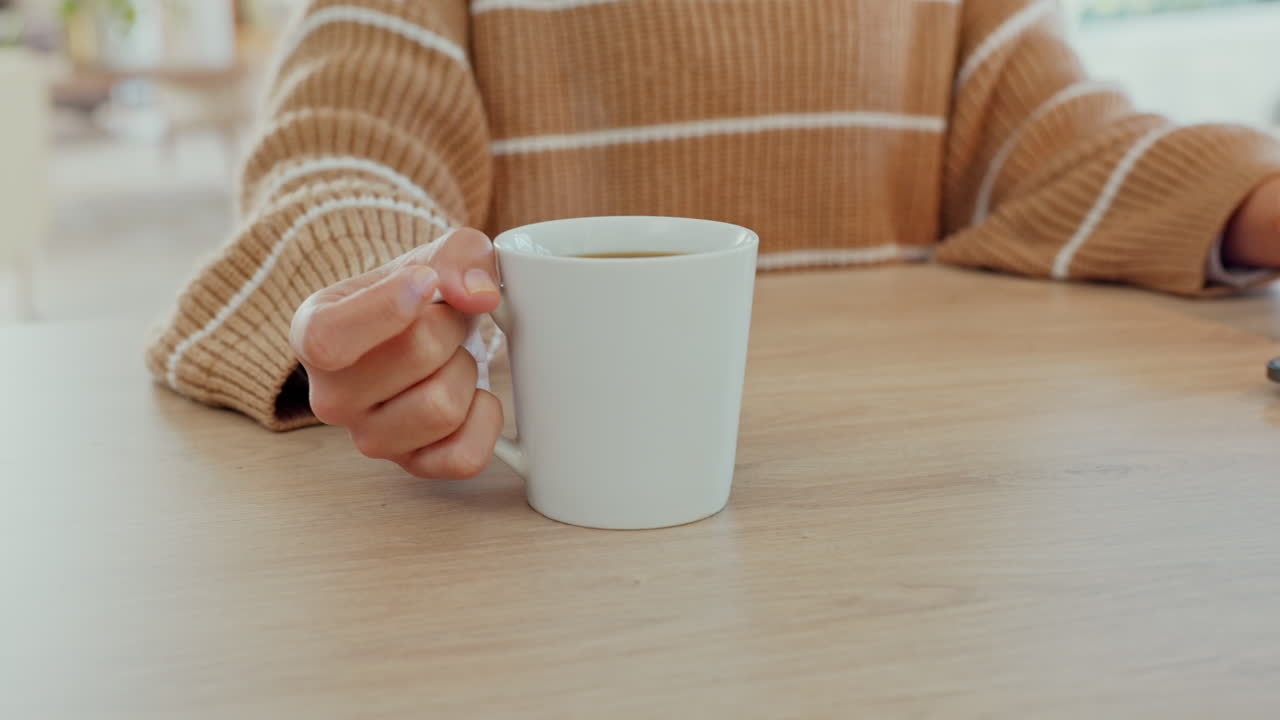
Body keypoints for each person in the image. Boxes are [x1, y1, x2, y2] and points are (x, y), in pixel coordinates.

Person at [146, 0, 1280, 480]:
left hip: (893, 545)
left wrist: (1255, 197)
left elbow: (1051, 143)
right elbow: (339, 156)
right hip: (518, 586)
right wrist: (387, 297)